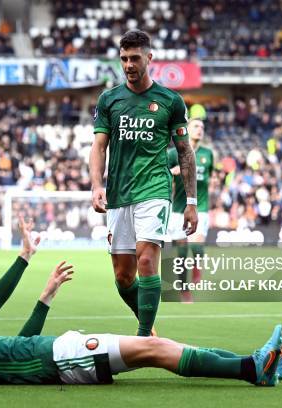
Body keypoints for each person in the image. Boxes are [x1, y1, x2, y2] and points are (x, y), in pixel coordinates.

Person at [0, 216, 282, 386]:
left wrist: (44, 300)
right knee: (156, 347)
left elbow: (16, 349)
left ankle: (258, 364)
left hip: (59, 354)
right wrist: (23, 258)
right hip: (64, 359)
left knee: (161, 347)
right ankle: (252, 369)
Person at [89, 29, 198, 336]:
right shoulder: (109, 100)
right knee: (124, 276)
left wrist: (190, 202)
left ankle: (142, 337)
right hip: (119, 193)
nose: (128, 65)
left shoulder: (170, 101)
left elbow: (185, 152)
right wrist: (97, 186)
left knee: (147, 259)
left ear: (149, 58)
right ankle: (149, 329)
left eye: (134, 58)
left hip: (155, 189)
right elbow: (98, 147)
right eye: (123, 59)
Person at [167, 118, 214, 302]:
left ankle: (197, 269)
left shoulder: (207, 154)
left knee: (196, 244)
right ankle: (184, 290)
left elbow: (208, 177)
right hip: (178, 209)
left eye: (202, 127)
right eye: (196, 126)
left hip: (200, 207)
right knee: (181, 251)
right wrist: (173, 172)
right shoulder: (173, 154)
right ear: (186, 130)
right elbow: (159, 172)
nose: (199, 129)